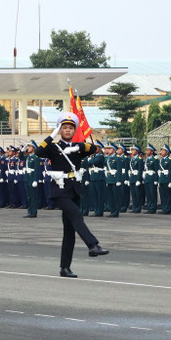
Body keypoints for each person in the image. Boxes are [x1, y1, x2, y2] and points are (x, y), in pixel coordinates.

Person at [35, 113, 109, 278]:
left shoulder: (77, 147)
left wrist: (77, 148)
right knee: (76, 214)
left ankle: (65, 268)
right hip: (59, 191)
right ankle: (92, 245)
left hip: (74, 189)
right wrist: (52, 135)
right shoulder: (54, 147)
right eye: (64, 128)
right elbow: (38, 152)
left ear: (74, 130)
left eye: (70, 128)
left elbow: (95, 148)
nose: (67, 130)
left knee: (69, 231)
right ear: (60, 130)